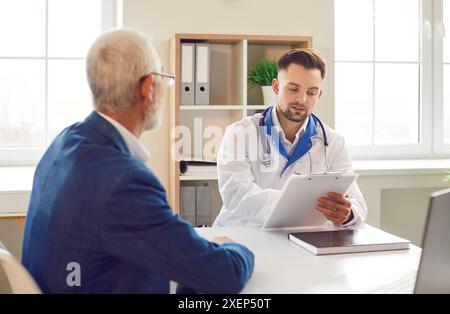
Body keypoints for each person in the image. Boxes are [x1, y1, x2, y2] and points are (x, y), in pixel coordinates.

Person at [22, 28, 254, 293]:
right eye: (164, 79)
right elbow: (225, 275)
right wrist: (236, 247)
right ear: (148, 88)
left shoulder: (64, 142)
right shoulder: (124, 182)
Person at [214, 48, 367, 227]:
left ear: (319, 95)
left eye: (311, 92)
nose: (301, 99)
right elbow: (236, 193)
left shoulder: (333, 141)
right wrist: (301, 206)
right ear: (276, 87)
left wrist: (347, 214)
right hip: (244, 235)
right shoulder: (239, 133)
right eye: (293, 89)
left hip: (302, 239)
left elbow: (357, 202)